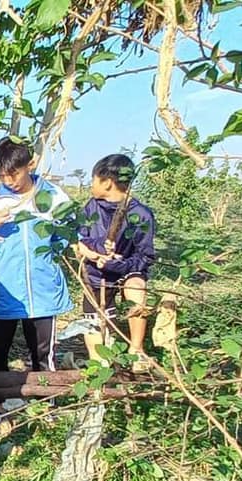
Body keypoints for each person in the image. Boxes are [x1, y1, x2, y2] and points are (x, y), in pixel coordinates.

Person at [0, 138, 73, 385]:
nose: (8, 181)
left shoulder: (53, 197)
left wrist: (51, 256)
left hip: (42, 290)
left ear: (31, 164)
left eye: (13, 174)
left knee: (43, 354)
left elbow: (67, 235)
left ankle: (46, 403)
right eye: (2, 176)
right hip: (3, 290)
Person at [75, 153, 156, 365]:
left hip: (128, 269)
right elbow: (80, 239)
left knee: (136, 288)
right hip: (97, 272)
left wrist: (119, 264)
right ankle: (100, 364)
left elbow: (145, 257)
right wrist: (93, 252)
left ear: (107, 183)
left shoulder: (140, 215)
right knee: (94, 321)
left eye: (93, 179)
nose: (90, 184)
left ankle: (136, 350)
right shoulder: (90, 208)